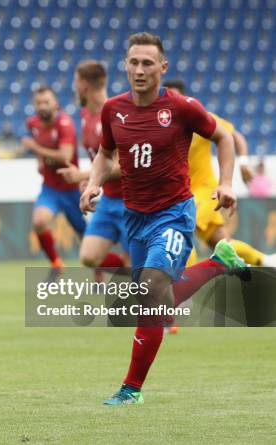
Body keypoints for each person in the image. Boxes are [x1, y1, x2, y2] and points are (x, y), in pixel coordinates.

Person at [80, 32, 248, 405]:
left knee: (154, 289)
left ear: (162, 67)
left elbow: (224, 137)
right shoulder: (113, 110)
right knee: (159, 300)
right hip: (134, 217)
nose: (139, 70)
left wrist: (226, 183)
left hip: (173, 213)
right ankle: (219, 262)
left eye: (147, 63)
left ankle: (131, 390)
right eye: (133, 62)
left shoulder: (183, 107)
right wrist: (93, 184)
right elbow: (106, 155)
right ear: (125, 65)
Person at [162, 80, 275, 267]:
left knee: (180, 226)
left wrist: (243, 162)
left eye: (176, 97)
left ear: (184, 99)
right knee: (223, 245)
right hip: (180, 195)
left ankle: (184, 282)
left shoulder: (198, 119)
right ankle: (263, 261)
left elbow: (233, 135)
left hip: (205, 190)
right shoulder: (161, 128)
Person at [57, 60, 129, 274]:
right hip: (108, 201)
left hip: (131, 202)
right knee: (89, 256)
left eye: (76, 82)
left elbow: (124, 167)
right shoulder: (85, 116)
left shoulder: (116, 116)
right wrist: (91, 181)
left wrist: (82, 175)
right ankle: (142, 277)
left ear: (84, 85)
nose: (74, 87)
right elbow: (99, 160)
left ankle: (158, 287)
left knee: (138, 263)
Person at [21, 86, 86, 275]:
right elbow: (37, 140)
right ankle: (56, 264)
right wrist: (40, 160)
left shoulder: (65, 124)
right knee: (39, 222)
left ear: (55, 104)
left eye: (46, 102)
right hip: (50, 189)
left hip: (72, 188)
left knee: (85, 236)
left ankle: (98, 274)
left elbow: (65, 155)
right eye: (39, 102)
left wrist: (36, 149)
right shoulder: (33, 123)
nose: (42, 106)